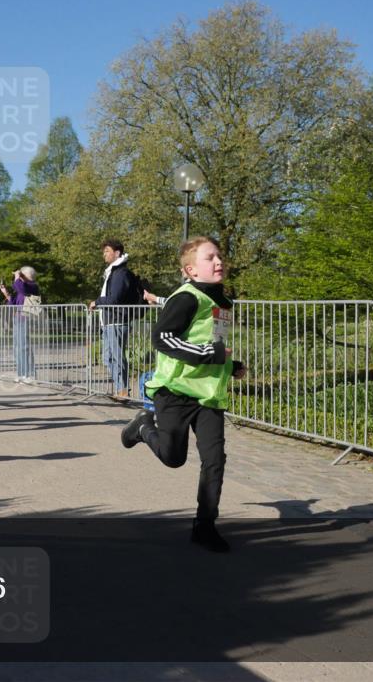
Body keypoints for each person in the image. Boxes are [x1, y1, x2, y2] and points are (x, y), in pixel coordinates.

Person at [120, 236, 249, 553]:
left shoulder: (221, 302)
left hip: (208, 395)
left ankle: (204, 526)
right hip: (175, 391)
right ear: (191, 270)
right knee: (173, 458)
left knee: (214, 460)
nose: (219, 261)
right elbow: (163, 338)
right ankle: (143, 427)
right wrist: (211, 354)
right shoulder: (186, 298)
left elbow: (211, 344)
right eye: (210, 258)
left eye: (219, 256)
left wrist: (230, 365)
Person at [88, 239, 143, 400]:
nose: (104, 254)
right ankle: (121, 389)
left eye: (107, 251)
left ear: (117, 253)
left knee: (117, 357)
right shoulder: (113, 272)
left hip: (117, 321)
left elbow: (115, 298)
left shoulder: (121, 273)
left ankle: (123, 391)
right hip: (109, 321)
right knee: (108, 358)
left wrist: (97, 302)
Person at [0, 266, 40, 383]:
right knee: (18, 347)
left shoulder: (33, 286)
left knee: (24, 347)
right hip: (18, 319)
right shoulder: (22, 288)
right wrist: (6, 293)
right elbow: (13, 304)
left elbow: (20, 286)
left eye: (21, 275)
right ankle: (21, 373)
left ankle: (29, 375)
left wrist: (18, 275)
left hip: (26, 318)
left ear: (25, 276)